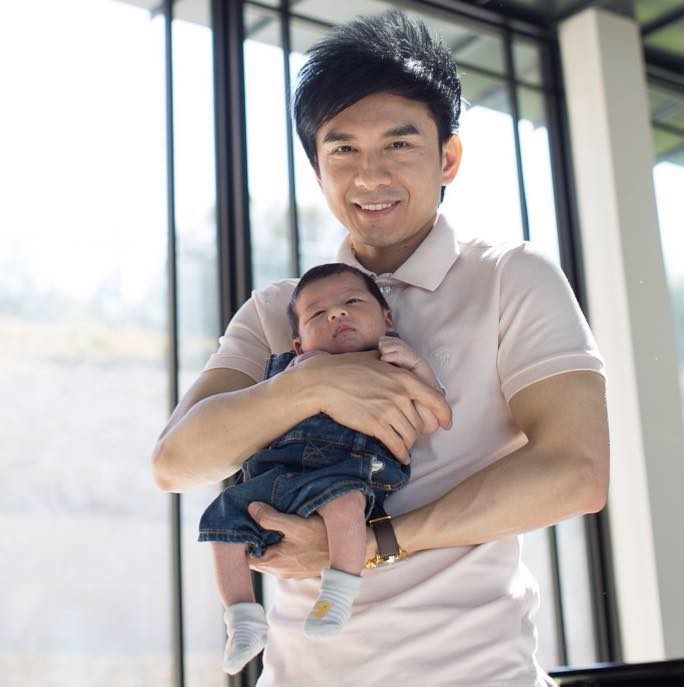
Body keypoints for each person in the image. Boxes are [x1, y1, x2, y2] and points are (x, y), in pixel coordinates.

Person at [152, 10, 609, 687]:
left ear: (447, 157)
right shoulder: (281, 311)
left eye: (399, 144)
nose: (370, 176)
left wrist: (374, 544)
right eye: (343, 150)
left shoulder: (511, 276)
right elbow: (176, 461)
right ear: (317, 170)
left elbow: (576, 472)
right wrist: (310, 384)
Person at [199, 263, 443, 675]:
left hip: (351, 472)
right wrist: (298, 383)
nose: (337, 314)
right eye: (317, 314)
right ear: (298, 344)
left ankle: (338, 594)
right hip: (277, 478)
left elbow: (433, 420)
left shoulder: (395, 363)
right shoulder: (289, 373)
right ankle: (242, 618)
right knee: (222, 520)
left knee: (344, 504)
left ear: (387, 319)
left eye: (352, 302)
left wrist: (419, 369)